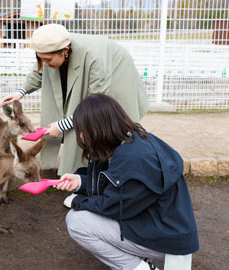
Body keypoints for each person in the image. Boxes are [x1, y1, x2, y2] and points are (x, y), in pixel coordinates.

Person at [55, 94, 199, 270]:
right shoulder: (134, 139)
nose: (82, 136)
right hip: (168, 226)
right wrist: (80, 182)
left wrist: (77, 200)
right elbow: (119, 186)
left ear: (97, 127)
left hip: (167, 235)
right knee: (82, 214)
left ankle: (140, 268)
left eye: (82, 130)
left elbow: (113, 206)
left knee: (77, 222)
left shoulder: (132, 158)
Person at [0, 24, 149, 176]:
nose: (45, 64)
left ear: (65, 51)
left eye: (48, 60)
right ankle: (84, 177)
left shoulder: (95, 58)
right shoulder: (52, 49)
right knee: (82, 128)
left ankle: (109, 177)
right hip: (93, 79)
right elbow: (39, 71)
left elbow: (96, 104)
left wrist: (62, 125)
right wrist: (20, 92)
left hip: (116, 78)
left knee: (106, 128)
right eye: (41, 59)